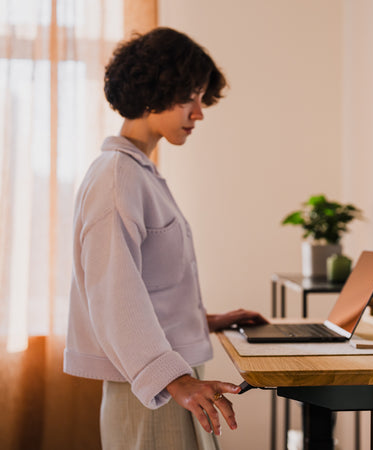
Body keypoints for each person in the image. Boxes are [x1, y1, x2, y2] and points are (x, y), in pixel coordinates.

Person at [63, 27, 268, 450]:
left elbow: (146, 287)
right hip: (154, 389)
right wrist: (176, 381)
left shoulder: (138, 174)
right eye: (189, 97)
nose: (199, 112)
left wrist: (204, 321)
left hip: (167, 379)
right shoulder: (117, 176)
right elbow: (114, 296)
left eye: (200, 98)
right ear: (154, 91)